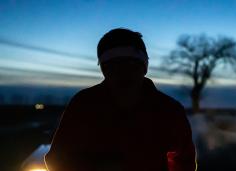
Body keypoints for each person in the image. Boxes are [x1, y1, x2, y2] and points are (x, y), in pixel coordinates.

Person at [44, 28, 197, 171]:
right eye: (115, 65)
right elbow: (58, 159)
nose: (124, 72)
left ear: (143, 66)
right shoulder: (83, 104)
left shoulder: (168, 110)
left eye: (131, 64)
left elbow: (184, 162)